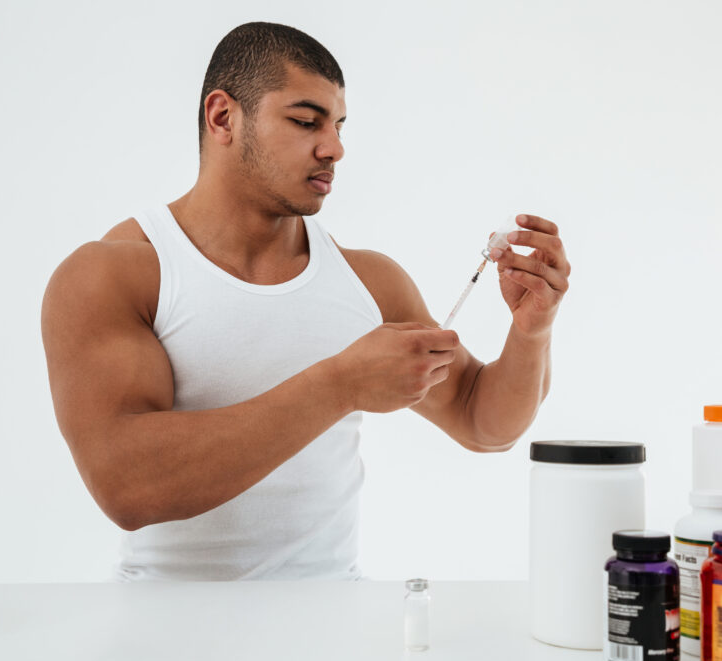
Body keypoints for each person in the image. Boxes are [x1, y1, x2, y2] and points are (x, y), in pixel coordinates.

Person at [41, 22, 571, 581]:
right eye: (304, 121)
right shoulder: (115, 273)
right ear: (223, 117)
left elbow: (483, 423)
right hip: (169, 642)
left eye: (339, 125)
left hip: (333, 634)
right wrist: (340, 384)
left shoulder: (370, 281)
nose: (334, 148)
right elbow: (127, 486)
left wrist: (532, 330)